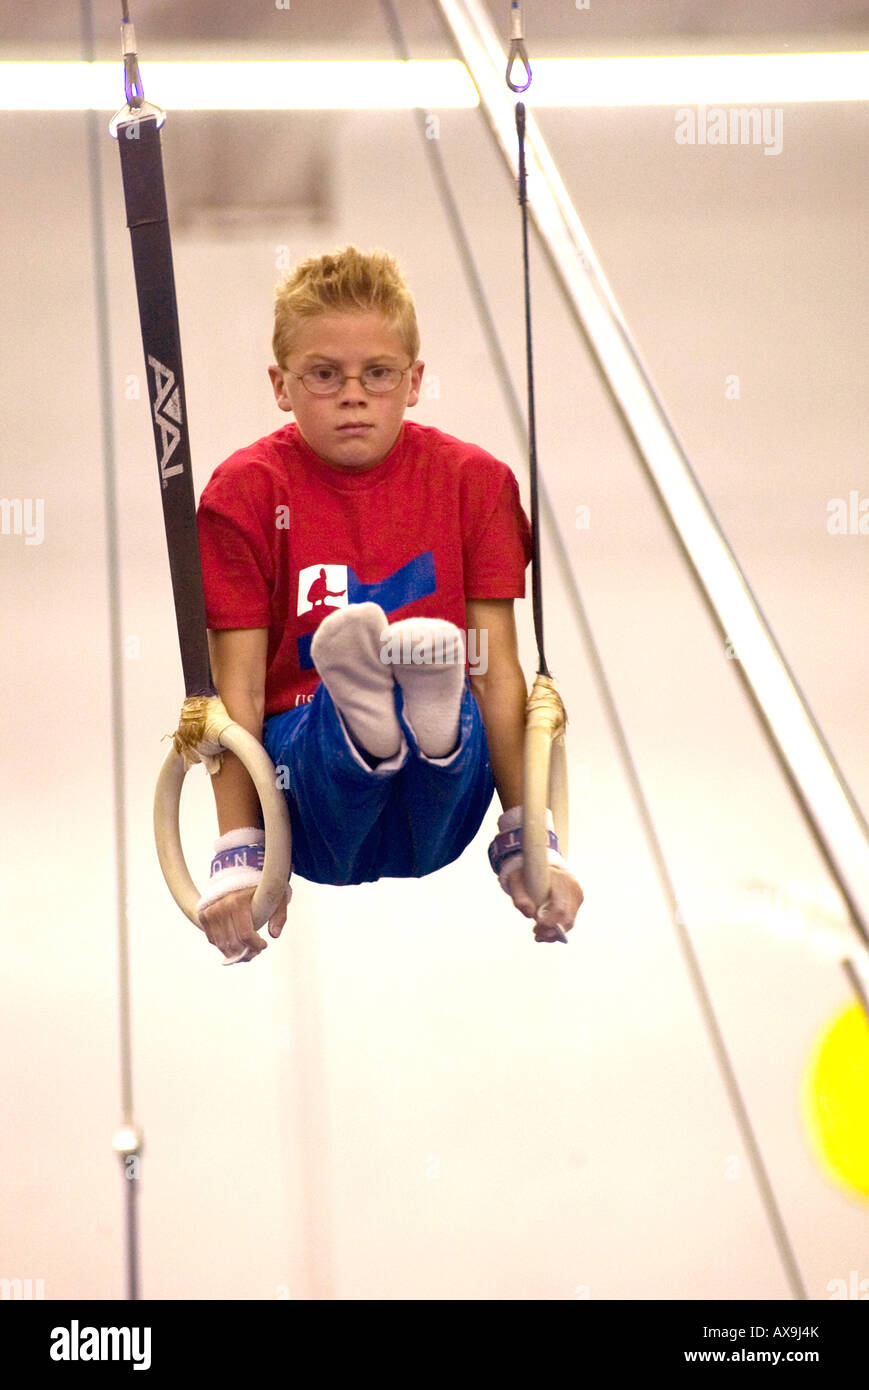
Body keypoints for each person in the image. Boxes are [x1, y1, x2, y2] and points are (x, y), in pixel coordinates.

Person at [195, 246, 583, 962]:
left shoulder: (474, 482)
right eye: (324, 375)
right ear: (281, 385)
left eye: (376, 374)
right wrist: (242, 850)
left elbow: (499, 674)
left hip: (446, 803)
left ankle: (410, 714)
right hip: (300, 798)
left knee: (458, 700)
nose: (353, 394)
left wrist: (533, 836)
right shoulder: (245, 493)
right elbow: (239, 691)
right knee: (324, 731)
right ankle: (362, 714)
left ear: (413, 382)